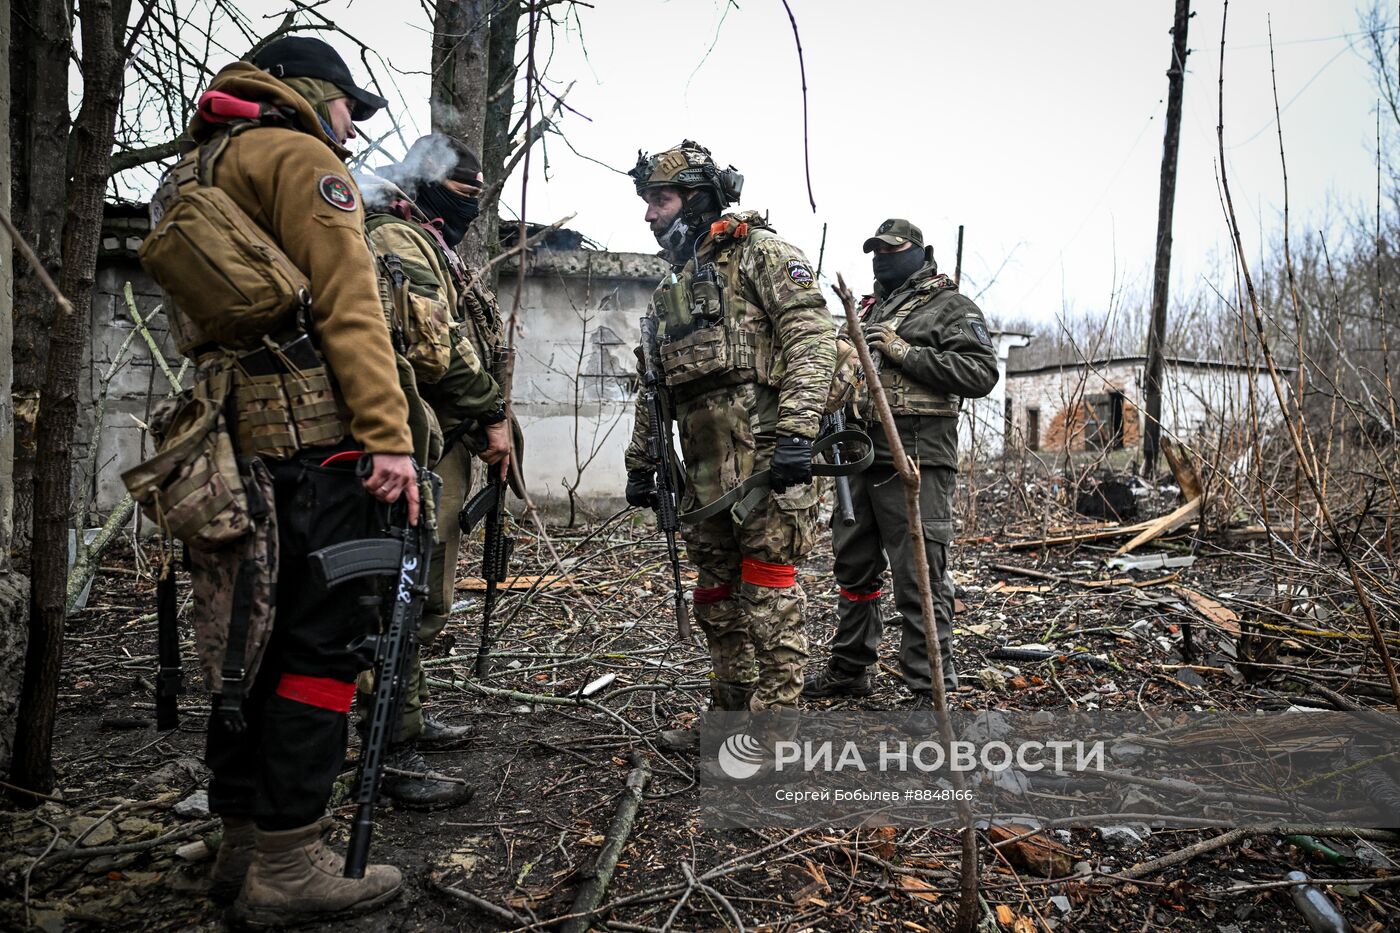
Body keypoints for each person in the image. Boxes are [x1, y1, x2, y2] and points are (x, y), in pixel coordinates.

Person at [143, 35, 417, 925]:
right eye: (348, 107)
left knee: (243, 653)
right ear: (309, 94)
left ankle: (239, 845)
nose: (351, 127)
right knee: (321, 650)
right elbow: (350, 301)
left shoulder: (193, 170)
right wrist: (390, 437)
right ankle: (289, 864)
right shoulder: (300, 158)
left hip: (233, 451)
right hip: (319, 452)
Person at [623, 141, 836, 751]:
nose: (649, 215)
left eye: (658, 200)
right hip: (703, 477)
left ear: (696, 198)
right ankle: (729, 718)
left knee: (768, 599)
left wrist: (797, 432)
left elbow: (811, 342)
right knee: (716, 598)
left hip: (768, 467)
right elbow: (654, 383)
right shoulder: (673, 287)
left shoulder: (762, 255)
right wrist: (642, 464)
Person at [356, 135, 511, 807]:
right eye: (460, 190)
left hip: (435, 437)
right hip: (405, 440)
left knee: (424, 589)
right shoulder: (395, 237)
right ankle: (384, 750)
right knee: (400, 591)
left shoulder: (426, 240)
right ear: (422, 182)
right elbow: (434, 349)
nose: (469, 206)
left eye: (480, 195)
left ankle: (405, 721)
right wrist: (490, 414)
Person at [803, 219, 998, 709]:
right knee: (853, 566)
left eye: (894, 250)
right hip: (859, 454)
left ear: (922, 252)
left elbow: (980, 373)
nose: (882, 259)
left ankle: (930, 687)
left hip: (917, 457)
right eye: (875, 252)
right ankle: (850, 669)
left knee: (919, 573)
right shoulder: (866, 309)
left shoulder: (950, 307)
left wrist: (901, 348)